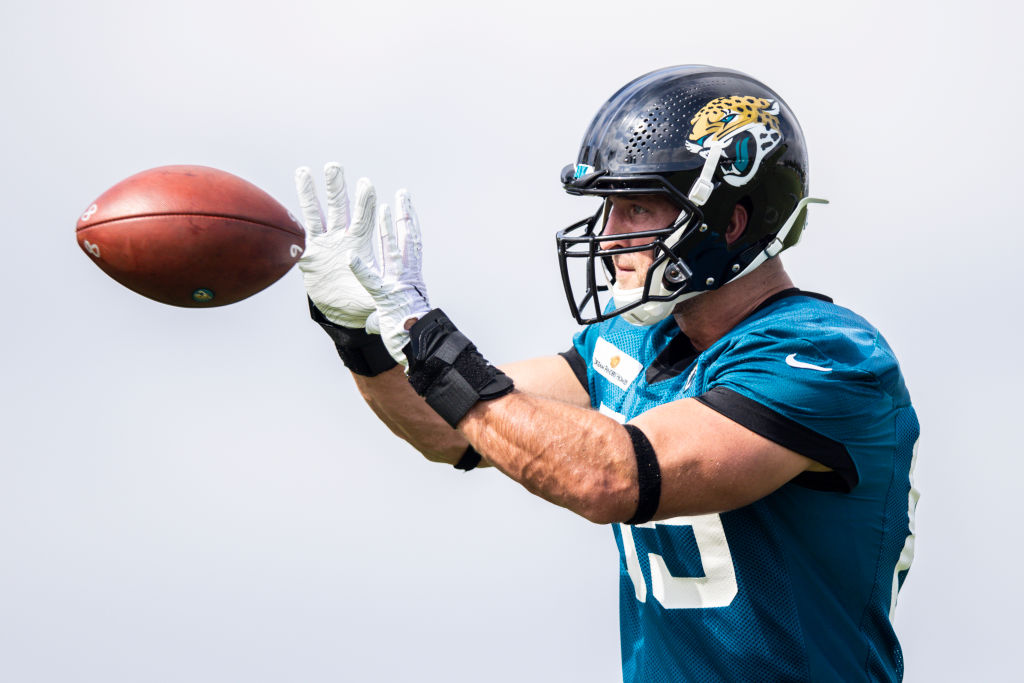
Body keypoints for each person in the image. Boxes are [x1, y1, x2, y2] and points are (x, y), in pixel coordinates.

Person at [294, 65, 920, 682]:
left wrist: (425, 335)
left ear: (729, 222)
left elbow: (613, 476)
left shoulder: (826, 355)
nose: (607, 233)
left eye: (637, 208)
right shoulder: (632, 340)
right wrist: (363, 337)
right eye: (609, 206)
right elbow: (453, 429)